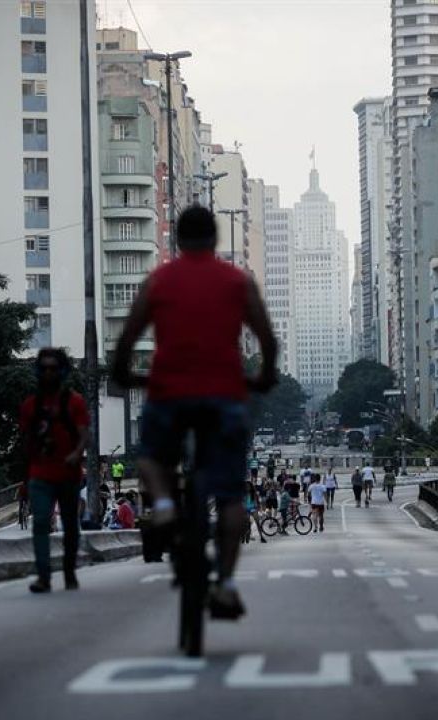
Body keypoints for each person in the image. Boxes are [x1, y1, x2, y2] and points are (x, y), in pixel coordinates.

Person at [111, 205, 277, 620]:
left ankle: (165, 505)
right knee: (231, 495)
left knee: (150, 455)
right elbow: (267, 338)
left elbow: (128, 337)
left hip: (169, 393)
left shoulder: (159, 280)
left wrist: (125, 375)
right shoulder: (237, 281)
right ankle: (225, 584)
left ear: (177, 240)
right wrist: (264, 377)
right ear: (215, 239)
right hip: (225, 397)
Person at [20, 347, 91, 593]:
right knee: (40, 522)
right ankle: (44, 576)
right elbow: (27, 440)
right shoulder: (31, 405)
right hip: (40, 474)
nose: (49, 373)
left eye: (54, 368)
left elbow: (84, 436)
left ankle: (69, 570)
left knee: (71, 524)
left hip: (69, 475)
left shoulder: (75, 402)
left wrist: (76, 454)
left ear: (62, 371)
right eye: (44, 368)